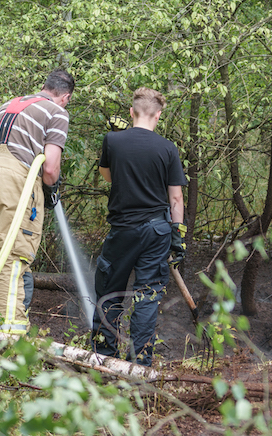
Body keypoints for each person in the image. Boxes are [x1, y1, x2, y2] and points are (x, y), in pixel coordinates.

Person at [93, 87, 187, 366]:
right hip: (157, 231)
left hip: (123, 230)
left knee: (109, 292)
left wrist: (117, 150)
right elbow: (176, 197)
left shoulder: (112, 140)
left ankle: (103, 359)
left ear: (131, 112)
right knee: (147, 298)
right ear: (158, 116)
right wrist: (178, 236)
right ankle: (139, 366)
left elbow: (108, 176)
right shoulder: (168, 148)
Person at [0, 69, 74, 335]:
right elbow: (51, 168)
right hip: (17, 180)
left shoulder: (8, 105)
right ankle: (11, 335)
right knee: (14, 256)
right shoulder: (57, 112)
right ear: (65, 97)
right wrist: (52, 187)